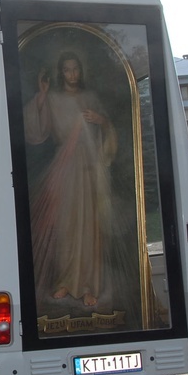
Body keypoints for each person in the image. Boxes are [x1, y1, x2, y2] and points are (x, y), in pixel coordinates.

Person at [23, 51, 117, 307]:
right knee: (66, 225)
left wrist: (102, 120)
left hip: (89, 169)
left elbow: (108, 129)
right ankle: (65, 281)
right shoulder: (52, 98)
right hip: (64, 168)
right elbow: (37, 131)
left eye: (76, 69)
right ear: (60, 72)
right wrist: (42, 95)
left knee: (90, 227)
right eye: (67, 70)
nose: (72, 74)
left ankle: (89, 286)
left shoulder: (90, 98)